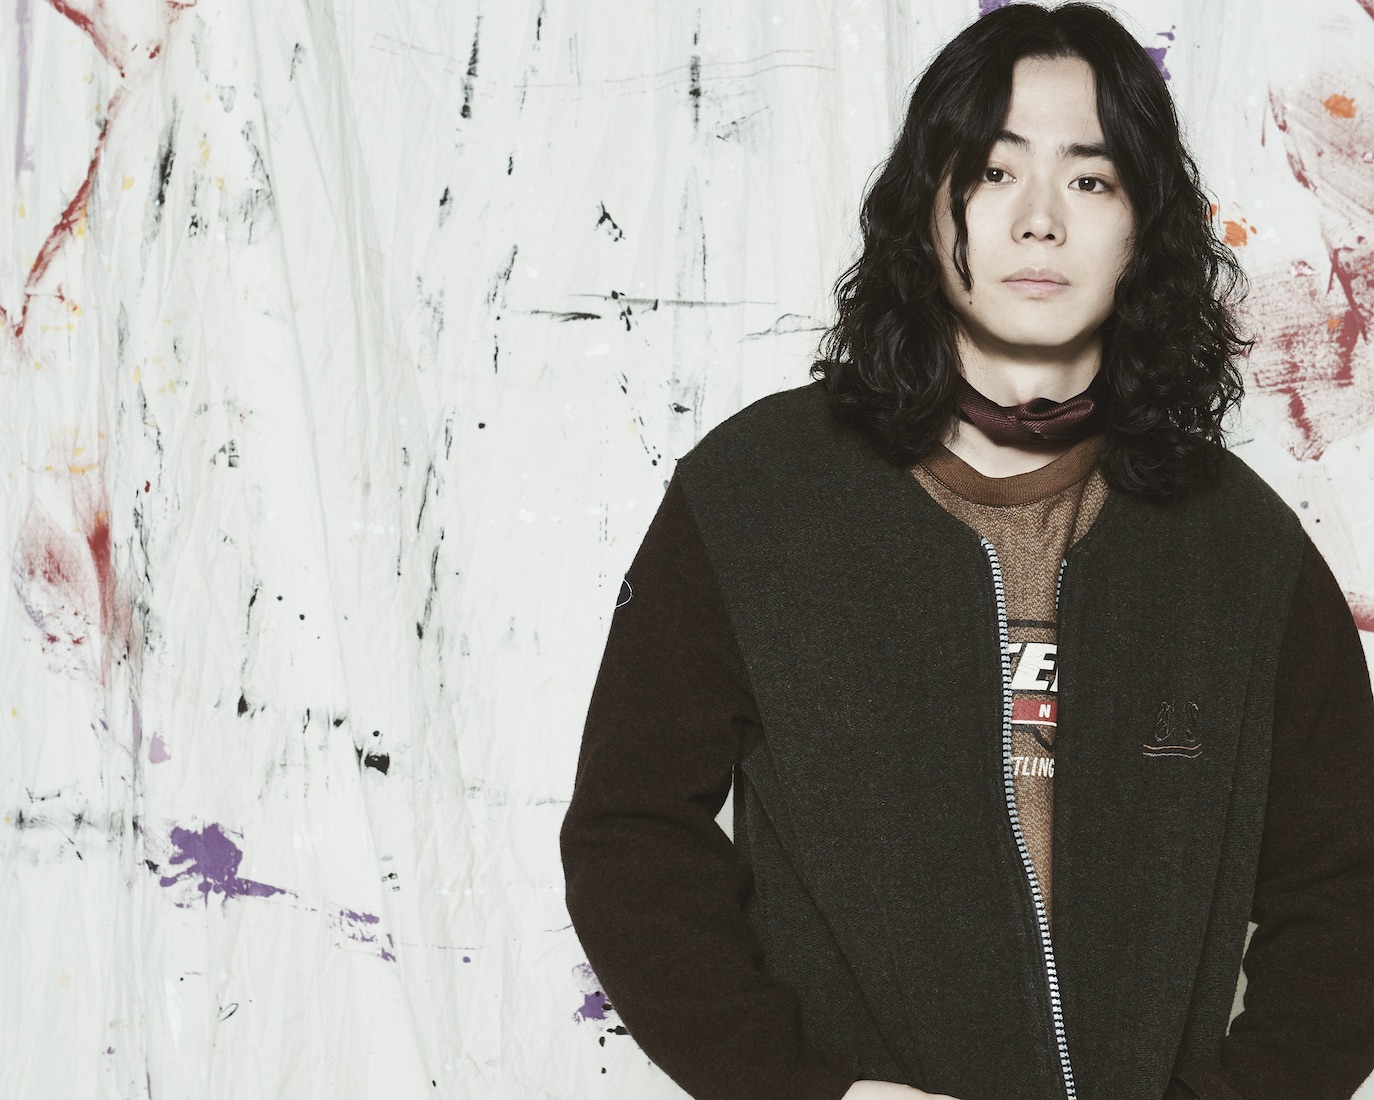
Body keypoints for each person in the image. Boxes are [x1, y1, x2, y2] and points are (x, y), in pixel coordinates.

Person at [560, 4, 1374, 1099]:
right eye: (995, 171)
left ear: (1143, 227)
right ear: (927, 203)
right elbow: (630, 834)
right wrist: (804, 1090)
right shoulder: (755, 498)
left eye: (1091, 179)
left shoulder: (1242, 548)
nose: (1040, 220)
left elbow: (1349, 893)